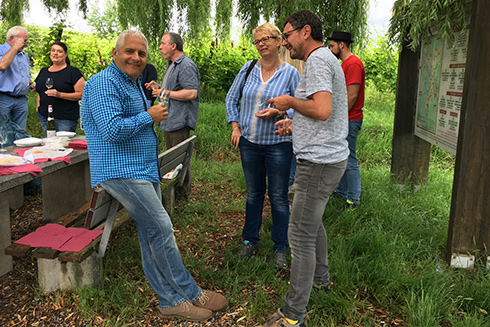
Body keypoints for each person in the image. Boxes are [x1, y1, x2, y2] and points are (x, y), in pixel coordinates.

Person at [81, 30, 227, 322]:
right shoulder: (101, 83)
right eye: (130, 51)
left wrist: (148, 114)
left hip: (142, 168)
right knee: (161, 228)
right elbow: (111, 130)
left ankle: (169, 299)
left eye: (142, 53)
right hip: (119, 171)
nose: (136, 57)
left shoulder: (132, 83)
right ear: (115, 53)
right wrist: (149, 116)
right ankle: (188, 293)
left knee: (151, 234)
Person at [261, 10, 349, 327]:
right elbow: (324, 110)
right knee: (313, 224)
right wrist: (294, 125)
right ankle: (322, 281)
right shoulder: (325, 59)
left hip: (319, 163)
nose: (285, 43)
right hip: (325, 158)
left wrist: (289, 102)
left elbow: (323, 109)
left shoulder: (317, 61)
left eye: (287, 36)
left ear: (305, 31)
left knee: (298, 235)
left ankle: (293, 314)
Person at [226, 23, 300, 269]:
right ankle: (250, 241)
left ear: (279, 41)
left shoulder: (290, 73)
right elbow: (231, 99)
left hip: (279, 144)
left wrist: (280, 110)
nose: (261, 44)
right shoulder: (247, 69)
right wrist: (235, 127)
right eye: (257, 41)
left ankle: (280, 247)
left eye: (266, 39)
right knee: (254, 194)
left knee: (278, 197)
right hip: (249, 143)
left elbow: (299, 105)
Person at [146, 32, 200, 199]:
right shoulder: (173, 64)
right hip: (170, 119)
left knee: (179, 160)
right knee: (173, 159)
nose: (160, 47)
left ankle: (182, 196)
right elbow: (175, 89)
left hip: (179, 121)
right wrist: (159, 86)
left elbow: (191, 93)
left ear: (173, 46)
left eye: (163, 43)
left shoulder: (186, 65)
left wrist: (165, 92)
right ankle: (176, 192)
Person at [329, 31, 365, 209]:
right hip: (346, 118)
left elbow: (351, 96)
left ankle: (353, 199)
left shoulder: (353, 64)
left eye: (332, 45)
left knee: (350, 158)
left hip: (350, 119)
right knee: (342, 156)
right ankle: (342, 192)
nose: (330, 49)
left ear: (341, 45)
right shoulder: (345, 64)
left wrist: (338, 118)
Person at [35, 41, 85, 135]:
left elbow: (81, 94)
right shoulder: (44, 71)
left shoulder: (72, 72)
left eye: (59, 51)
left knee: (63, 146)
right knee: (50, 144)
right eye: (53, 50)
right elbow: (39, 92)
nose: (55, 53)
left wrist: (60, 95)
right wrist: (38, 109)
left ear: (65, 54)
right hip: (44, 116)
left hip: (65, 118)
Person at [0, 26, 35, 130]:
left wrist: (30, 83)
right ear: (12, 38)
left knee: (20, 135)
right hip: (4, 99)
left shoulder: (24, 55)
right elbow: (2, 65)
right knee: (4, 134)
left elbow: (24, 74)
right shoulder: (1, 50)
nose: (26, 44)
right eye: (24, 41)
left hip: (21, 100)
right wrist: (14, 48)